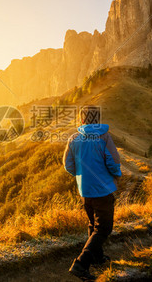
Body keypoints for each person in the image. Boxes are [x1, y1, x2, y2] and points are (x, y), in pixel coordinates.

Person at [63, 106, 121, 281]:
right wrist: (116, 175)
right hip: (103, 190)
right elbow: (113, 161)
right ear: (97, 120)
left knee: (93, 224)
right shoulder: (104, 137)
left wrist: (81, 176)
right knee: (103, 228)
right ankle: (81, 264)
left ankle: (97, 257)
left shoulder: (73, 139)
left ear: (82, 120)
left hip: (85, 191)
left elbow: (68, 165)